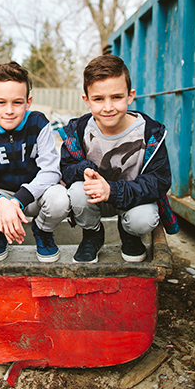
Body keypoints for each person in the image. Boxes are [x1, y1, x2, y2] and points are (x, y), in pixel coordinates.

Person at [58, 54, 178, 264]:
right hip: (94, 199)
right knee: (76, 192)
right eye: (98, 99)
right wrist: (82, 169)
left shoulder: (150, 133)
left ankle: (130, 233)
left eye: (116, 97)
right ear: (86, 100)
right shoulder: (77, 131)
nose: (108, 107)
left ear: (130, 96)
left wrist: (112, 191)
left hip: (133, 200)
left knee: (145, 219)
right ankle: (92, 234)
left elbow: (159, 182)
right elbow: (66, 169)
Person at [0, 62, 69, 263]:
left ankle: (43, 231)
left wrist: (18, 200)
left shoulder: (38, 123)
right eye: (1, 103)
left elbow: (51, 171)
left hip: (35, 195)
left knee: (60, 199)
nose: (9, 110)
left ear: (28, 102)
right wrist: (0, 203)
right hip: (1, 198)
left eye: (17, 103)